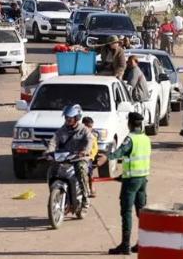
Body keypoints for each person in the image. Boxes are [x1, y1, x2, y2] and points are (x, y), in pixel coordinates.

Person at [97, 112, 150, 255]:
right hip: (142, 180)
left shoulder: (130, 139)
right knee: (141, 213)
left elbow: (120, 152)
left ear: (130, 124)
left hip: (131, 181)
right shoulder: (145, 138)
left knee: (126, 212)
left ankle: (125, 245)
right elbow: (138, 160)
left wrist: (106, 157)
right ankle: (142, 243)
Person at [45, 105, 92, 209]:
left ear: (77, 118)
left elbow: (89, 141)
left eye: (70, 118)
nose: (67, 120)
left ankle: (85, 197)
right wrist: (49, 152)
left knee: (81, 169)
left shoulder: (84, 130)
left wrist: (85, 151)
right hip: (64, 157)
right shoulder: (62, 130)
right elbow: (54, 141)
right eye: (66, 118)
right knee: (52, 171)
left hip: (79, 158)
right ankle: (55, 194)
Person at [82, 116, 99, 198]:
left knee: (89, 173)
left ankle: (91, 187)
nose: (89, 129)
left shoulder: (93, 136)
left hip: (88, 158)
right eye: (87, 126)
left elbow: (95, 148)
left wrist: (91, 155)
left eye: (91, 127)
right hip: (77, 157)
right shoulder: (78, 134)